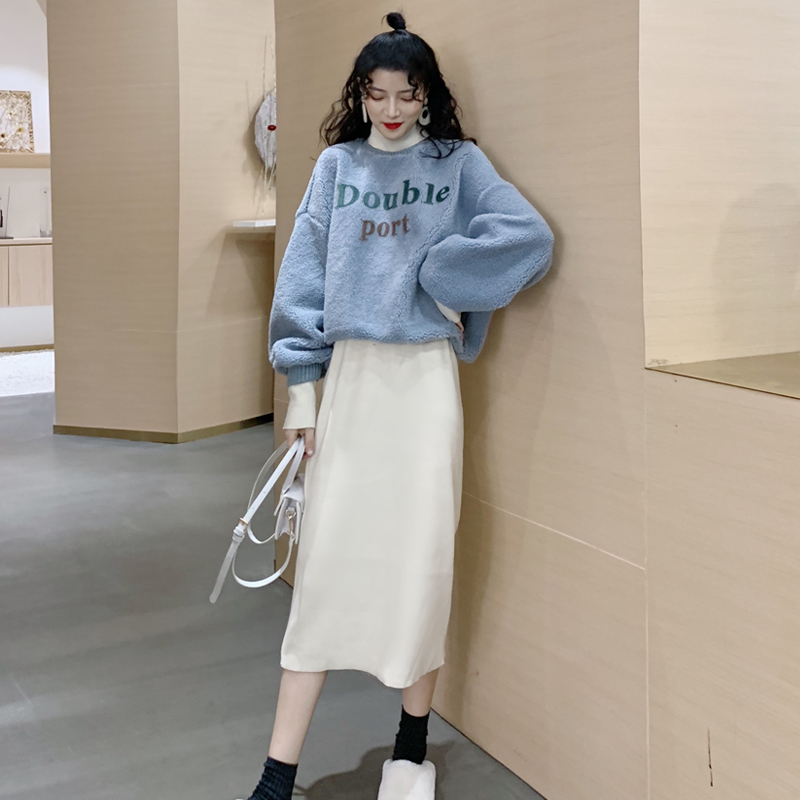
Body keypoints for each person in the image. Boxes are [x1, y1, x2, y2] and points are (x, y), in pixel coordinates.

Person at [240, 11, 554, 800]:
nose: (389, 109)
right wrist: (301, 393)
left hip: (424, 386)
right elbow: (301, 277)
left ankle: (409, 754)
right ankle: (277, 776)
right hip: (350, 381)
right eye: (375, 94)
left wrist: (444, 277)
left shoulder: (458, 163)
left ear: (427, 96)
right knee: (324, 573)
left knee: (421, 563)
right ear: (359, 93)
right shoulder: (336, 166)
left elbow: (528, 238)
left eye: (405, 95)